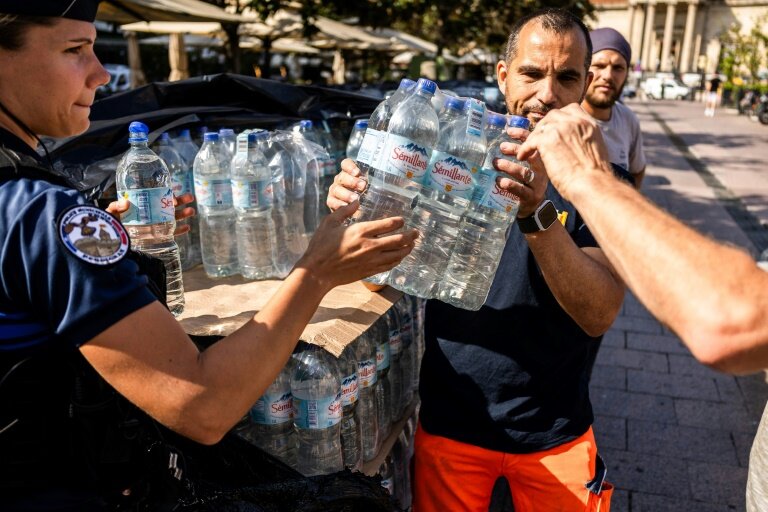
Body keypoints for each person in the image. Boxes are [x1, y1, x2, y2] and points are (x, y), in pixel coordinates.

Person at [0, 2, 417, 510]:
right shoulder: (44, 216)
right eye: (74, 51)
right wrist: (316, 272)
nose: (101, 73)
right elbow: (203, 406)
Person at [328, 9, 624, 511]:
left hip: (555, 430)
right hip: (452, 420)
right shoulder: (452, 160)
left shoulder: (598, 181)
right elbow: (381, 281)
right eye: (532, 73)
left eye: (566, 77)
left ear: (583, 85)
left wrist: (535, 213)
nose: (547, 93)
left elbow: (598, 313)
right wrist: (356, 214)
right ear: (504, 75)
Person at [515, 102, 768, 512]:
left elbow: (731, 318)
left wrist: (586, 177)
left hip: (556, 428)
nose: (545, 94)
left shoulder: (605, 167)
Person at [581, 27, 646, 189]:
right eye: (599, 65)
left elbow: (637, 170)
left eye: (618, 68)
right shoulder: (561, 117)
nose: (608, 76)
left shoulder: (628, 119)